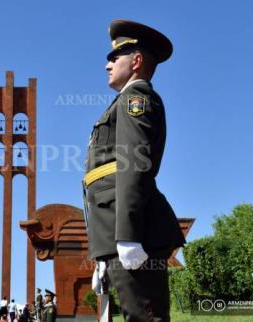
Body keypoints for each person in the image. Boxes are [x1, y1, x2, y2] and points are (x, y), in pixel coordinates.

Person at [83, 19, 186, 321]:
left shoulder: (135, 98)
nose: (107, 65)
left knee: (145, 317)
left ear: (137, 61)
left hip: (131, 230)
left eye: (115, 57)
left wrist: (127, 236)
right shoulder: (120, 103)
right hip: (114, 231)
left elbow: (133, 164)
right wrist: (104, 251)